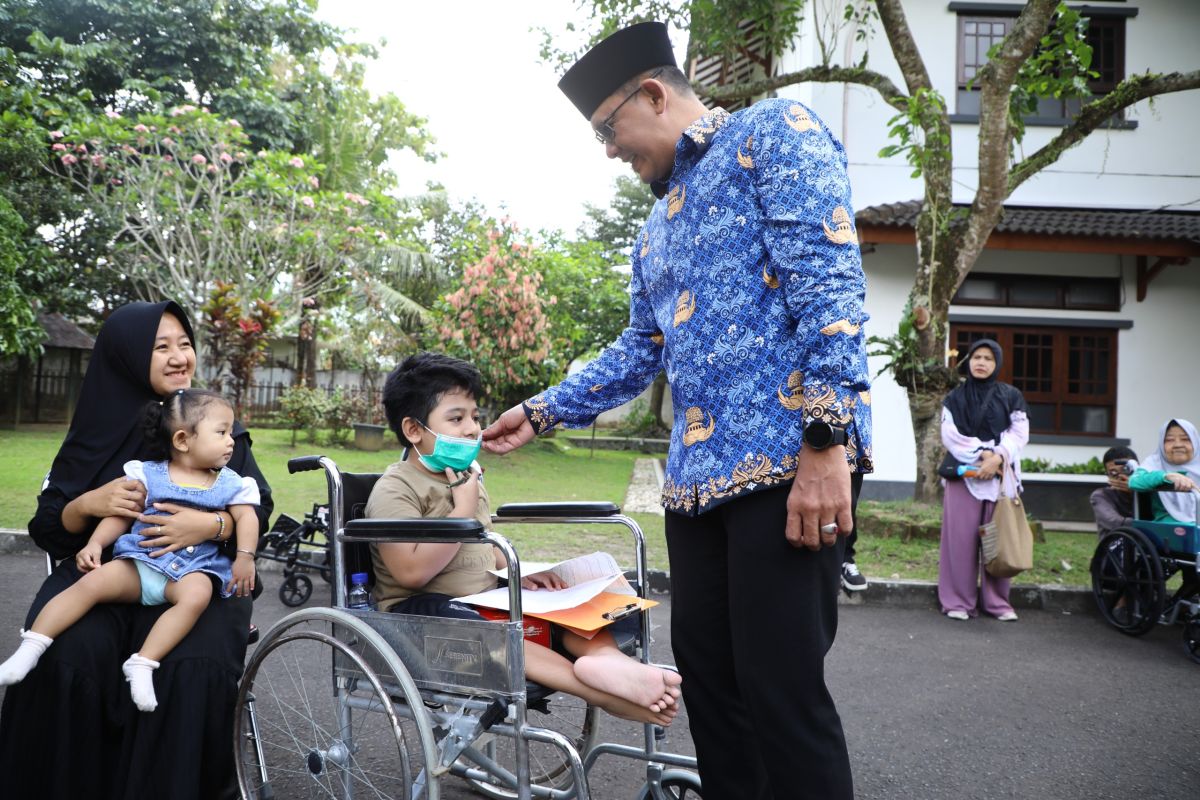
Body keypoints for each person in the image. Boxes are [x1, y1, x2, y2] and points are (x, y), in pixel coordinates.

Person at [482, 22, 872, 799]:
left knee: (782, 696)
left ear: (654, 94)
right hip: (695, 489)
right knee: (716, 695)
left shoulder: (775, 132)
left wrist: (828, 444)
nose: (607, 150)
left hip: (786, 467)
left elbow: (831, 290)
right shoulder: (654, 227)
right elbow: (641, 348)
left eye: (607, 130)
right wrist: (545, 410)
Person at [0, 301, 273, 799]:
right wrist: (88, 503)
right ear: (125, 357)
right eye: (160, 346)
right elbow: (48, 528)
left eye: (185, 344)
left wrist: (210, 524)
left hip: (200, 577)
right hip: (114, 567)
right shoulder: (96, 430)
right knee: (70, 654)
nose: (178, 357)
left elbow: (259, 508)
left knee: (194, 668)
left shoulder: (216, 428)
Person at [366, 353, 682, 726]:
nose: (472, 429)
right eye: (456, 418)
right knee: (496, 632)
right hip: (422, 614)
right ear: (414, 429)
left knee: (563, 606)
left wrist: (517, 575)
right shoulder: (395, 488)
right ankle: (601, 693)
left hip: (482, 596)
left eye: (474, 417)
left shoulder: (467, 477)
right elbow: (410, 573)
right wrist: (461, 514)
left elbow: (483, 544)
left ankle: (607, 662)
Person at [0, 388, 260, 712]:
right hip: (139, 562)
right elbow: (122, 514)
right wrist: (95, 543)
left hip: (189, 571)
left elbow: (247, 518)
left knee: (197, 597)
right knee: (90, 585)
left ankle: (143, 662)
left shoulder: (232, 482)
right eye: (221, 432)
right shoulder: (148, 473)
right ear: (182, 440)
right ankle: (33, 645)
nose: (231, 440)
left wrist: (244, 556)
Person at [939, 339, 1028, 622]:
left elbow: (1019, 432)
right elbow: (950, 435)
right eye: (977, 357)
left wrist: (998, 456)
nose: (981, 363)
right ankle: (958, 602)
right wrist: (982, 456)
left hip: (1001, 477)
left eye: (988, 358)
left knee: (999, 538)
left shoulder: (1011, 395)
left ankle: (998, 603)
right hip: (964, 476)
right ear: (968, 361)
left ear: (997, 363)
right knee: (960, 541)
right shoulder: (954, 398)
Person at [1128, 419, 1200, 524]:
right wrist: (1166, 476)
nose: (1178, 445)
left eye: (1185, 439)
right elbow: (1134, 481)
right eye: (1170, 440)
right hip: (1169, 522)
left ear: (1195, 442)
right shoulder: (1154, 462)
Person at [1091, 445, 1138, 537]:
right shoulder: (1100, 495)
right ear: (1107, 475)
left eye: (1125, 469)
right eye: (1113, 473)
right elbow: (1115, 523)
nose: (1120, 476)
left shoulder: (1149, 492)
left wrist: (1136, 491)